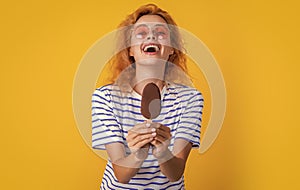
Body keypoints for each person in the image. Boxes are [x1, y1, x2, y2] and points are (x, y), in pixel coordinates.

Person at [92, 4, 204, 189]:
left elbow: (176, 173)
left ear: (172, 49)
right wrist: (138, 153)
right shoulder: (105, 98)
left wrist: (162, 152)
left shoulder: (190, 99)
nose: (151, 36)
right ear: (130, 50)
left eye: (161, 33)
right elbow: (121, 175)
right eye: (141, 33)